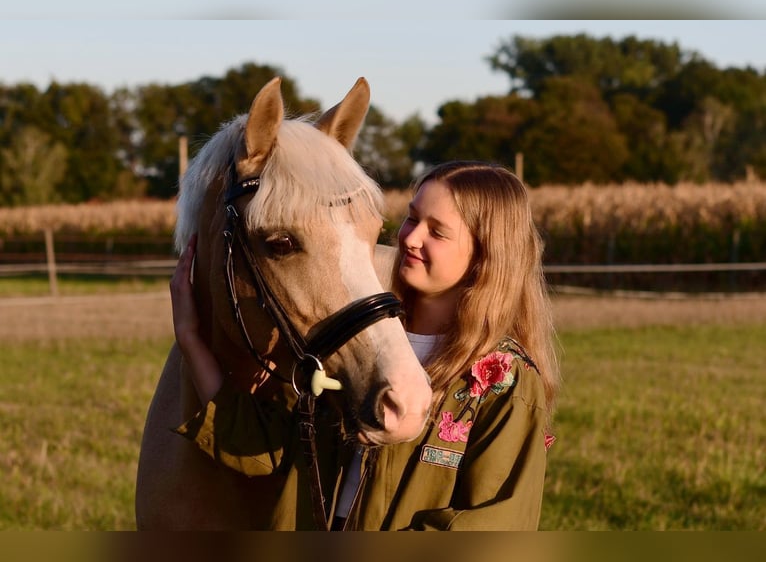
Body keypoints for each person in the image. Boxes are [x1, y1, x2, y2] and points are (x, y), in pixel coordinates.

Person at [170, 160, 560, 530]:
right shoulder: (352, 342)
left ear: (486, 254)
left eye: (437, 231)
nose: (410, 237)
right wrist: (191, 340)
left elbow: (494, 524)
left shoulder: (503, 380)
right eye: (411, 217)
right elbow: (263, 449)